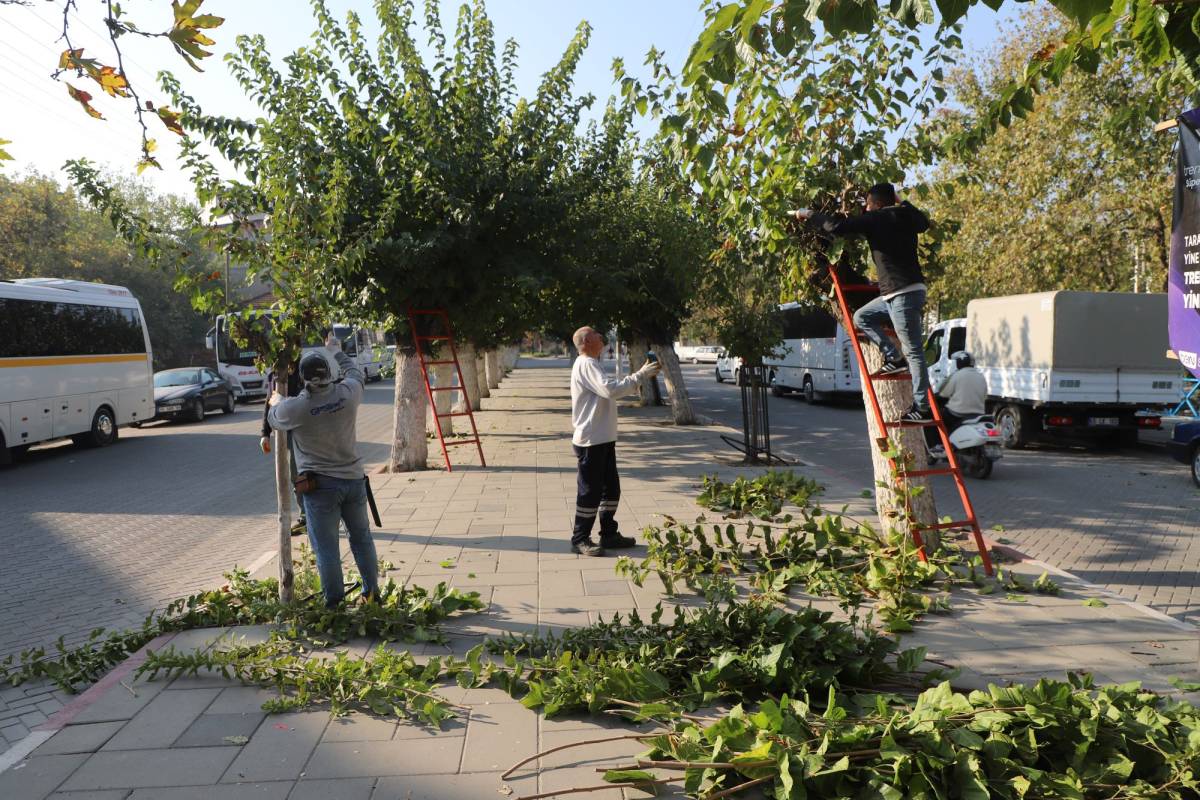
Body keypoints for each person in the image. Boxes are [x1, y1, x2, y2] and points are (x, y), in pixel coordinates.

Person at [795, 183, 933, 421]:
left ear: (877, 204)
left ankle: (922, 409)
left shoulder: (876, 218)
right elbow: (924, 222)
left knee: (915, 353)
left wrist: (810, 215)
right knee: (862, 317)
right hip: (898, 293)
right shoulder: (908, 216)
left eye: (868, 204)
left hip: (902, 293)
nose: (866, 208)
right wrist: (901, 201)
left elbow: (836, 227)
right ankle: (893, 357)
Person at [267, 334, 378, 606]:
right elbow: (354, 372)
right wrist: (336, 351)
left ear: (304, 379)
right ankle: (372, 594)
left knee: (327, 549)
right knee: (362, 539)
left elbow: (273, 417)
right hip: (354, 481)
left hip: (320, 489)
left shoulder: (298, 408)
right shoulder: (348, 394)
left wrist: (277, 400)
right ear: (329, 374)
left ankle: (335, 605)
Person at [569, 326, 661, 556]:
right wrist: (640, 375)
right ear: (588, 341)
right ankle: (580, 539)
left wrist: (638, 376)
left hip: (603, 438)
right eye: (598, 334)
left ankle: (609, 534)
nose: (602, 337)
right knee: (590, 492)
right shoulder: (587, 364)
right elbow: (610, 390)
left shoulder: (592, 363)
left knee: (611, 489)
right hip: (591, 441)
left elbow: (610, 390)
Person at [260, 357, 305, 536]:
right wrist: (265, 433)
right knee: (296, 476)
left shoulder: (300, 372)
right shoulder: (274, 375)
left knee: (299, 474)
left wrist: (284, 403)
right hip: (284, 431)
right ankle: (308, 516)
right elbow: (268, 403)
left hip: (301, 430)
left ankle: (306, 518)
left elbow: (305, 400)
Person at [927, 351, 989, 455]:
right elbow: (984, 395)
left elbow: (944, 393)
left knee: (933, 417)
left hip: (958, 413)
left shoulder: (957, 375)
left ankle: (937, 445)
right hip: (978, 413)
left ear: (959, 362)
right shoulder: (980, 376)